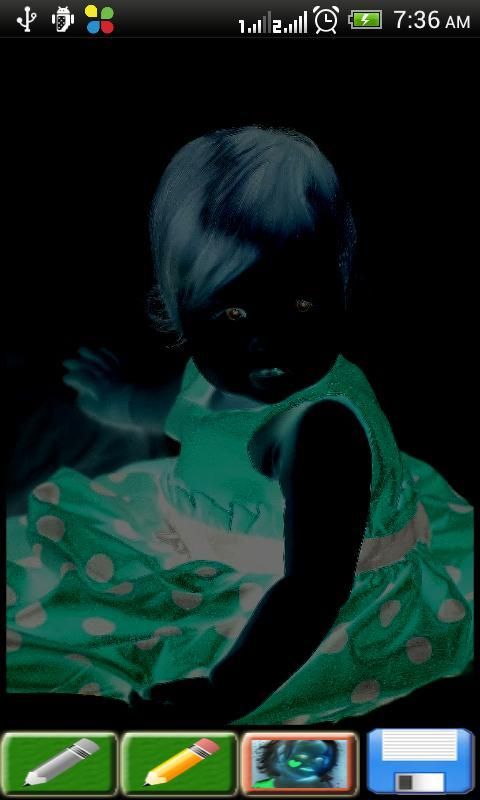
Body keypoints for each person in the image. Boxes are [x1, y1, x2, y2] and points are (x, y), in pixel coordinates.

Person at [6, 126, 473, 726]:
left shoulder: (320, 431)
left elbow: (314, 589)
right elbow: (179, 413)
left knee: (119, 643)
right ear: (180, 311)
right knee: (49, 559)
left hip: (299, 600)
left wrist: (226, 691)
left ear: (340, 286)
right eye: (233, 311)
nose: (271, 340)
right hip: (195, 529)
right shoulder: (217, 372)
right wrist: (119, 400)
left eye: (302, 306)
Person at [253, 739, 338, 789]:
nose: (318, 761)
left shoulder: (321, 787)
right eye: (304, 754)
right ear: (279, 759)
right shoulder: (261, 788)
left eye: (322, 757)